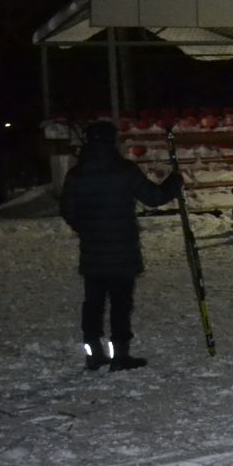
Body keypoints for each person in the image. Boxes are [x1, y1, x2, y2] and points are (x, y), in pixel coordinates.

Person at [59, 121, 182, 371]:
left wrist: (86, 229)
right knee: (120, 303)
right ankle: (120, 354)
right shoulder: (124, 171)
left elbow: (67, 210)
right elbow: (154, 198)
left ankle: (93, 353)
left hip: (92, 250)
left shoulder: (76, 174)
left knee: (93, 303)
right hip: (123, 249)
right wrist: (174, 182)